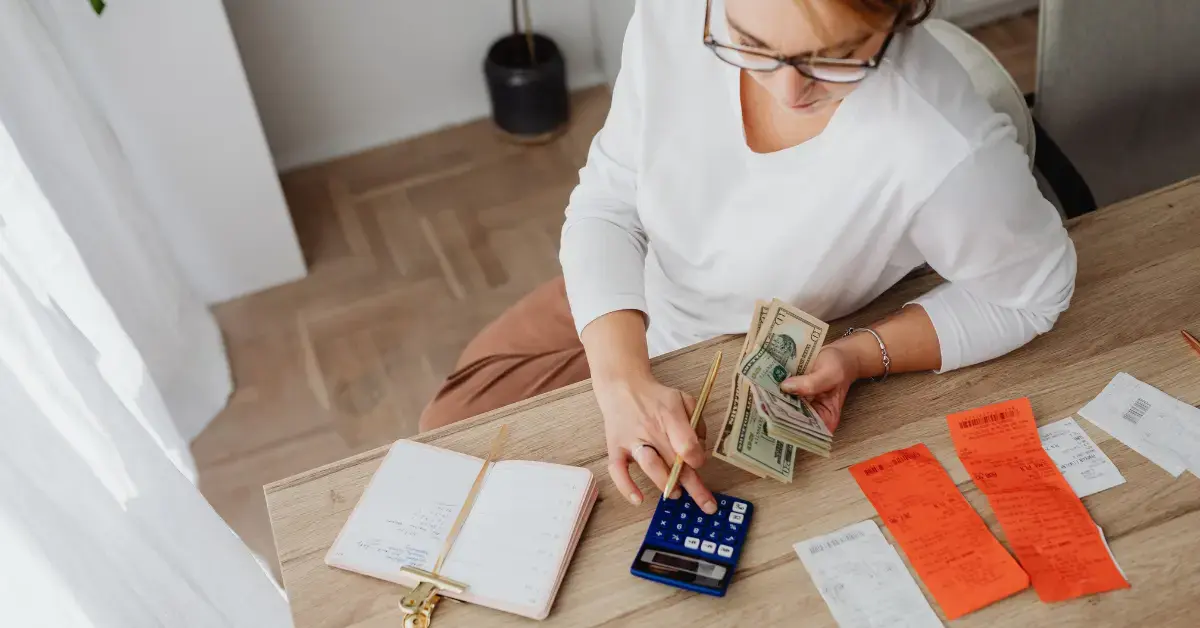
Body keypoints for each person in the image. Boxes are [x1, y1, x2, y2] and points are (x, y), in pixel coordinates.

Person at [420, 0, 1076, 516]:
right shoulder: (677, 13)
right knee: (446, 426)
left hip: (722, 350)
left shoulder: (941, 149)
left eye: (837, 57)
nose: (788, 91)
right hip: (640, 275)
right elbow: (609, 204)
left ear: (896, 13)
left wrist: (859, 355)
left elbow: (1032, 291)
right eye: (752, 45)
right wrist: (619, 380)